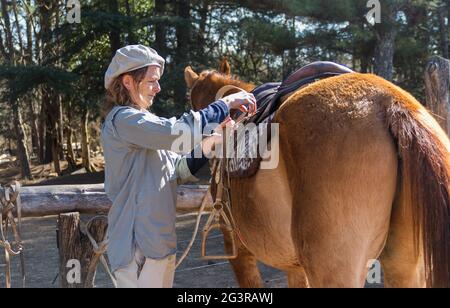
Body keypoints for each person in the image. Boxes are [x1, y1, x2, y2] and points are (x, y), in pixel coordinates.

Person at [100, 45, 256, 288]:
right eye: (152, 81)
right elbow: (175, 132)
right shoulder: (124, 119)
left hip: (158, 246)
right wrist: (226, 103)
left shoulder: (145, 124)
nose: (158, 88)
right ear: (128, 81)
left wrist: (211, 142)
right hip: (137, 250)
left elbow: (176, 171)